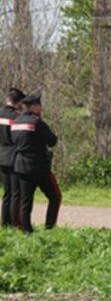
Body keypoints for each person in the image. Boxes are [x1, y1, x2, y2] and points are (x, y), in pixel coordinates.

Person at [12, 93, 59, 233]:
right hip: (38, 166)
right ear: (33, 106)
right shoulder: (37, 123)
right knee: (55, 196)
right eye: (39, 106)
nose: (40, 108)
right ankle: (49, 227)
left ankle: (26, 230)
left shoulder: (16, 122)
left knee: (26, 200)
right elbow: (52, 141)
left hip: (20, 165)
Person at [0, 88, 25, 228]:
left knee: (6, 193)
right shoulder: (16, 117)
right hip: (14, 157)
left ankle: (4, 223)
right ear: (19, 102)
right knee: (16, 193)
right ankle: (15, 223)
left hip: (1, 156)